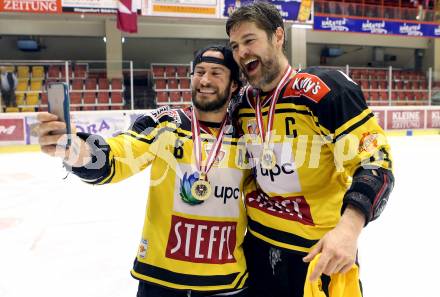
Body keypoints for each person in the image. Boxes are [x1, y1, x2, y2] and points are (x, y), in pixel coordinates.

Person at [36, 45, 250, 297]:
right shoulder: (166, 123)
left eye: (216, 73)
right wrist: (74, 149)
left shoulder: (248, 134)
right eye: (199, 71)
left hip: (226, 283)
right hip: (160, 281)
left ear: (234, 84)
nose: (204, 80)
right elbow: (118, 155)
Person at [226, 2, 394, 297]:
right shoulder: (241, 105)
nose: (241, 52)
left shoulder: (325, 89)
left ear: (278, 37)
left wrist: (348, 230)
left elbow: (376, 161)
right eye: (235, 45)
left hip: (318, 254)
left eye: (249, 40)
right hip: (258, 249)